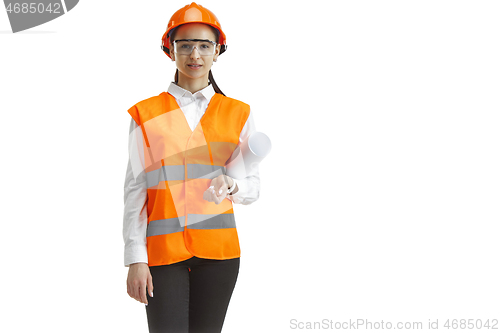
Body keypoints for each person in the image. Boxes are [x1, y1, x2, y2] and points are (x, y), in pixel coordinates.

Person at [122, 2, 260, 332]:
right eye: (184, 45)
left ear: (218, 51)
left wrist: (234, 185)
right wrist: (134, 257)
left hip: (220, 254)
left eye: (203, 45)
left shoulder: (238, 112)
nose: (194, 54)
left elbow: (254, 185)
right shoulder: (146, 114)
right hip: (162, 253)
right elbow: (135, 191)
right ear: (169, 51)